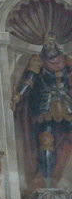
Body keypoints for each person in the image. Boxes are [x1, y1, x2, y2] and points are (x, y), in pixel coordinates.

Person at [11, 33, 72, 189]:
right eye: (46, 44)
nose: (49, 46)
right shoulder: (38, 61)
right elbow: (29, 80)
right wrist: (18, 95)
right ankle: (46, 180)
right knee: (46, 140)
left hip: (67, 104)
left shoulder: (68, 61)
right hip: (45, 104)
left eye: (51, 43)